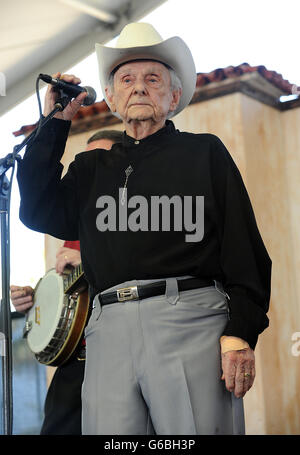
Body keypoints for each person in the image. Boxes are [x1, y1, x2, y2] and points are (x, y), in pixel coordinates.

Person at [16, 23, 272, 435]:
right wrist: (54, 122)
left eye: (152, 79)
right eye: (126, 80)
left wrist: (239, 332)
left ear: (173, 98)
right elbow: (38, 210)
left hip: (190, 322)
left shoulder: (205, 152)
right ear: (112, 99)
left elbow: (246, 252)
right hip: (108, 328)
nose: (138, 88)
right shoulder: (90, 169)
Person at [11, 129, 123, 435]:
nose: (92, 167)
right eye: (86, 160)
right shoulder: (76, 226)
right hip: (75, 361)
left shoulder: (140, 220)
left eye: (102, 158)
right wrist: (34, 301)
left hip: (121, 360)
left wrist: (90, 259)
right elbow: (71, 297)